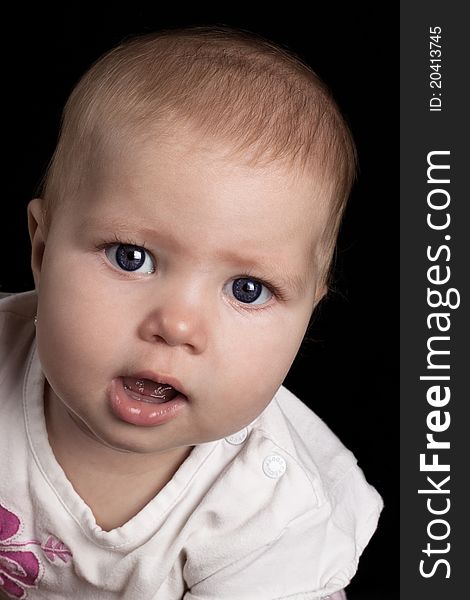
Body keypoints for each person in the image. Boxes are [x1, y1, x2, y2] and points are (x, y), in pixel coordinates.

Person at [0, 26, 382, 599]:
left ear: (309, 313)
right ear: (42, 247)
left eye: (247, 289)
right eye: (133, 257)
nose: (177, 325)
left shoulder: (274, 513)